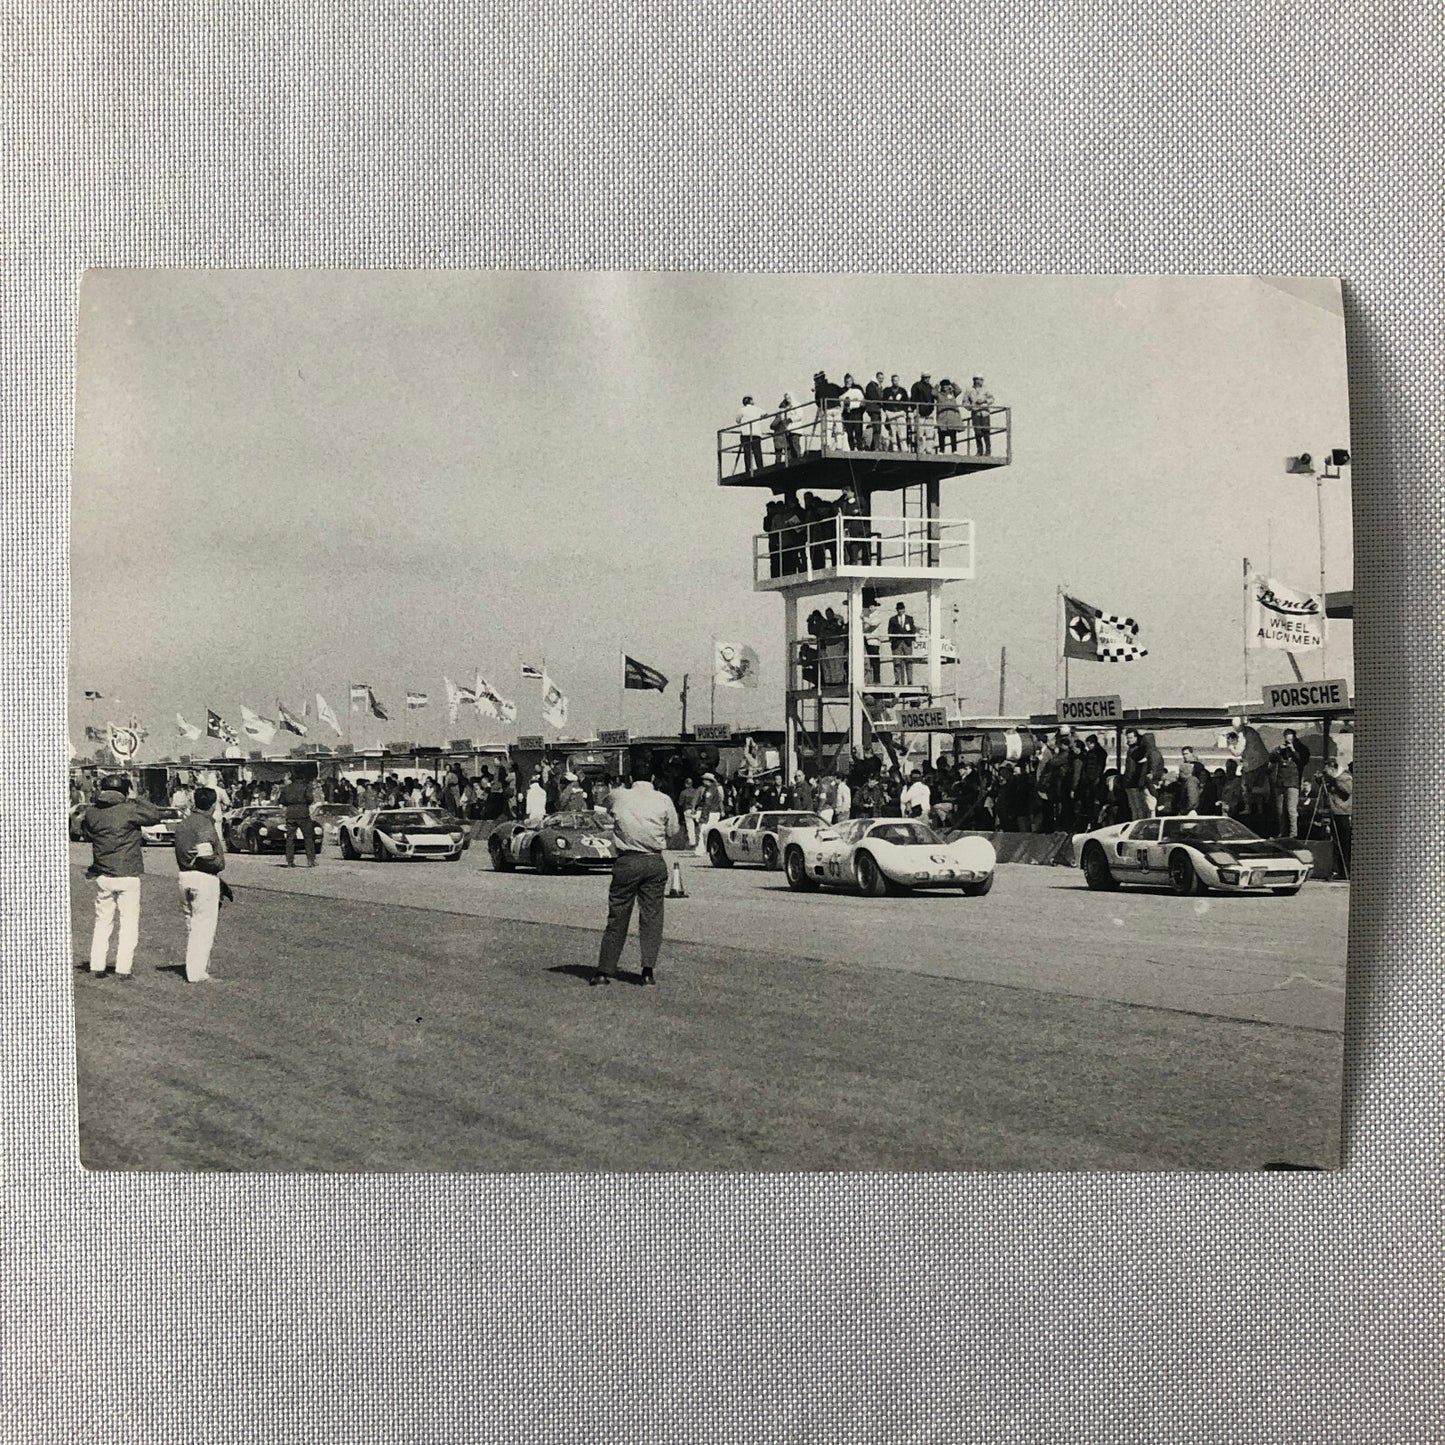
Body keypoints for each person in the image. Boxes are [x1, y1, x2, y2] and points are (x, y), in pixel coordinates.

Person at [590, 756, 680, 987]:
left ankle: (604, 970)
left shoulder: (620, 795)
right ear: (652, 778)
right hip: (653, 860)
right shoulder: (663, 799)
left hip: (627, 860)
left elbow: (605, 807)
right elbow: (673, 830)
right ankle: (647, 970)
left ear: (630, 778)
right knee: (652, 917)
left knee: (618, 915)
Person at [81, 775, 166, 978]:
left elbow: (89, 834)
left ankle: (97, 965)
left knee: (102, 922)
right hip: (127, 873)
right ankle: (123, 968)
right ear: (125, 790)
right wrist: (136, 797)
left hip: (103, 872)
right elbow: (155, 815)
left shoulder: (92, 812)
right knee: (128, 923)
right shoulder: (129, 809)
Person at [173, 786, 227, 984]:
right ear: (213, 804)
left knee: (191, 925)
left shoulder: (184, 823)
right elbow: (205, 855)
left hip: (184, 875)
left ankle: (195, 966)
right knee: (203, 927)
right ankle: (197, 973)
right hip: (203, 877)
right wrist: (219, 864)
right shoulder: (204, 824)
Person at [1271, 728, 1311, 838]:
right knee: (1280, 811)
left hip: (1293, 783)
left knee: (1291, 810)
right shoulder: (1281, 749)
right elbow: (1271, 758)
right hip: (1280, 782)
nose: (1288, 740)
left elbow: (1302, 761)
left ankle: (1294, 833)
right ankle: (1282, 832)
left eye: (1290, 737)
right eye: (1286, 737)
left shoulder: (1301, 748)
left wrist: (1293, 750)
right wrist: (1278, 750)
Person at [277, 770, 317, 867]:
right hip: (303, 814)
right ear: (302, 779)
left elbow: (281, 800)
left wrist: (290, 804)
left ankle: (290, 861)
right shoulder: (306, 787)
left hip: (290, 814)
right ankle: (310, 861)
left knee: (290, 839)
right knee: (308, 838)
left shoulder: (286, 788)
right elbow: (310, 799)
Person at [1321, 760, 1352, 872]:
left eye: (1327, 770)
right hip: (1335, 812)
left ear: (1333, 769)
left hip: (1343, 813)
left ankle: (1346, 869)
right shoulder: (1332, 779)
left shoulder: (1345, 777)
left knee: (1344, 842)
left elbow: (1349, 790)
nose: (1326, 773)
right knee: (1336, 842)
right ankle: (1337, 868)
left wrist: (1335, 781)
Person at [962, 375, 995, 455]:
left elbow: (992, 399)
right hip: (975, 412)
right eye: (976, 379)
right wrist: (971, 407)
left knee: (986, 432)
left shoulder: (986, 389)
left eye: (980, 380)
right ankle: (979, 450)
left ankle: (988, 450)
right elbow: (965, 402)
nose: (978, 381)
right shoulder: (969, 390)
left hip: (984, 412)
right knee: (978, 432)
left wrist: (984, 401)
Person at [888, 601, 917, 685]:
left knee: (909, 661)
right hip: (897, 643)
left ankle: (910, 680)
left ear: (904, 609)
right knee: (897, 662)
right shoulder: (892, 619)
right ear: (897, 610)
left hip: (907, 642)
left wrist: (913, 640)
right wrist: (891, 639)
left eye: (902, 609)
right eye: (899, 609)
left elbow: (913, 630)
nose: (900, 611)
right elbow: (890, 631)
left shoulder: (909, 619)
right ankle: (897, 680)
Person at [735, 395, 764, 474]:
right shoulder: (757, 409)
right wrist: (758, 419)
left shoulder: (742, 410)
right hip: (756, 433)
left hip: (746, 433)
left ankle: (748, 469)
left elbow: (737, 420)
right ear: (751, 401)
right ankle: (760, 467)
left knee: (747, 452)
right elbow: (765, 414)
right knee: (757, 451)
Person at [934, 380, 964, 453]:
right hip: (942, 417)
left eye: (946, 385)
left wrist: (952, 382)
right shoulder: (939, 394)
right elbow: (933, 393)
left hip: (952, 417)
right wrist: (937, 384)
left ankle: (954, 450)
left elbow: (959, 390)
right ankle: (941, 450)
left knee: (952, 434)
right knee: (941, 433)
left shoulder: (953, 393)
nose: (945, 386)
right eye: (943, 385)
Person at [909, 372, 936, 451]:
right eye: (926, 377)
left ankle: (929, 449)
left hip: (929, 411)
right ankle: (920, 450)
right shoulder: (916, 386)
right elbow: (913, 398)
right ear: (922, 377)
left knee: (929, 433)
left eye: (928, 377)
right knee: (920, 432)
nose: (927, 379)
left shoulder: (930, 387)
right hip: (919, 411)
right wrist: (914, 409)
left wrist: (931, 408)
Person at [882, 374, 909, 451]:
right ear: (892, 381)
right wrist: (886, 411)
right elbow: (883, 402)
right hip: (891, 414)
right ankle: (895, 448)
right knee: (893, 432)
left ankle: (904, 448)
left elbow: (907, 402)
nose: (896, 382)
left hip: (900, 413)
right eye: (894, 380)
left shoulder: (902, 391)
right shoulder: (887, 391)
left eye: (897, 380)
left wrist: (903, 411)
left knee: (902, 431)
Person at [839, 373, 866, 450]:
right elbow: (841, 403)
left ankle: (860, 447)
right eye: (846, 381)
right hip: (847, 413)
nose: (848, 383)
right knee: (849, 432)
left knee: (858, 430)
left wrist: (861, 411)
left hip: (857, 412)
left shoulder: (857, 389)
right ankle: (851, 448)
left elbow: (863, 401)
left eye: (849, 381)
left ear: (852, 381)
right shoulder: (843, 391)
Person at [864, 372, 886, 450]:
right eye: (880, 378)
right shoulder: (871, 386)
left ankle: (874, 446)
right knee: (877, 427)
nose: (881, 380)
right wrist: (882, 402)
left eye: (882, 378)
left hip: (876, 408)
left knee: (877, 427)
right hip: (873, 408)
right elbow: (874, 397)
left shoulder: (877, 386)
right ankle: (876, 447)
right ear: (876, 377)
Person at [678, 776, 700, 849]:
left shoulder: (683, 792)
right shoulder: (696, 791)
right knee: (701, 825)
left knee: (690, 826)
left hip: (687, 810)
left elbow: (680, 803)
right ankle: (701, 842)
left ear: (685, 784)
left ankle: (692, 843)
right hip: (696, 810)